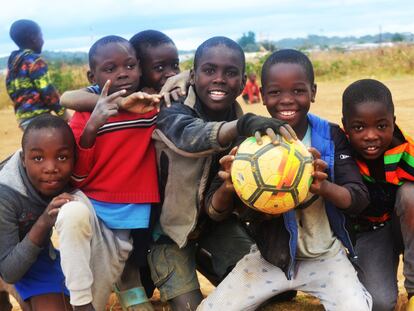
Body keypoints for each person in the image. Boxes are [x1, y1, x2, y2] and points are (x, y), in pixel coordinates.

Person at [197, 49, 373, 311]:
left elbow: (358, 198)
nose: (287, 100)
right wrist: (228, 186)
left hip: (326, 258)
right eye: (276, 92)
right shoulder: (248, 146)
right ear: (262, 95)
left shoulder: (331, 136)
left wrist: (323, 186)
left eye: (298, 91)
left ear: (312, 92)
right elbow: (214, 210)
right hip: (269, 259)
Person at [148, 36, 295, 311]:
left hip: (213, 227)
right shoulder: (172, 106)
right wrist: (241, 124)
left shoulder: (249, 141)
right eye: (209, 70)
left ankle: (207, 259)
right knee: (189, 306)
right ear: (193, 76)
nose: (219, 79)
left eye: (230, 73)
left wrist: (234, 190)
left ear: (242, 83)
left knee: (276, 292)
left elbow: (217, 209)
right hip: (168, 233)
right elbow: (188, 136)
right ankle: (145, 271)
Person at [55, 35, 160, 311]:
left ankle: (125, 285)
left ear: (140, 67)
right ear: (93, 75)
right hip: (92, 207)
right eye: (110, 69)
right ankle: (80, 300)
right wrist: (93, 125)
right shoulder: (83, 114)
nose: (123, 74)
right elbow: (76, 177)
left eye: (129, 65)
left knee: (115, 281)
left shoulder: (151, 105)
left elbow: (180, 81)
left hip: (128, 217)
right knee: (71, 215)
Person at [341, 79, 414, 311]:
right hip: (371, 233)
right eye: (359, 127)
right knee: (379, 303)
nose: (371, 136)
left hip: (407, 227)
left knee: (411, 195)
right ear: (345, 126)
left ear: (393, 122)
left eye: (381, 126)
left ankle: (413, 290)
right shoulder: (341, 154)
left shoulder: (407, 153)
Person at [0, 114, 75, 310]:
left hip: (30, 251)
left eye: (61, 157)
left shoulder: (69, 175)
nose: (51, 168)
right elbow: (9, 272)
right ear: (23, 159)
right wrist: (43, 221)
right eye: (38, 158)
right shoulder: (5, 194)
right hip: (8, 258)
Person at [5, 19, 69, 130]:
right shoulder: (35, 61)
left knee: (35, 145)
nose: (43, 41)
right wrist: (63, 113)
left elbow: (10, 90)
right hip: (40, 117)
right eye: (41, 36)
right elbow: (48, 92)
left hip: (22, 118)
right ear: (33, 38)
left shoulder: (13, 63)